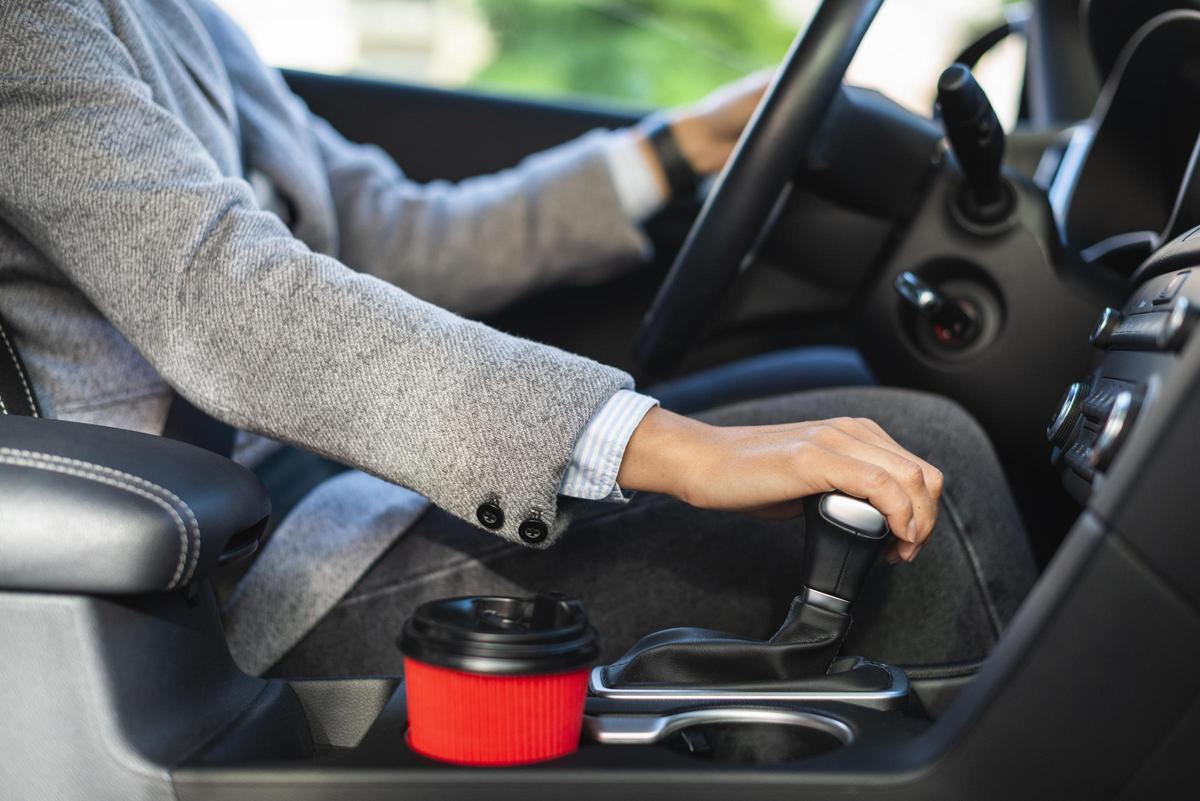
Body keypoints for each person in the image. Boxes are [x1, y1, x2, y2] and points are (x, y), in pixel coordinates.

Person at [0, 0, 1036, 677]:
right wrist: (669, 446)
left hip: (336, 489)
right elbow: (220, 295)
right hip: (227, 583)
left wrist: (679, 147)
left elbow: (389, 233)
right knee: (932, 482)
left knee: (838, 392)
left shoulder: (172, 13)